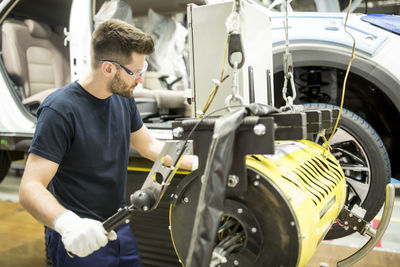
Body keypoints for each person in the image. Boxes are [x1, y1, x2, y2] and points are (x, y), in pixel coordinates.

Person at [19, 19, 197, 267]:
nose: (141, 81)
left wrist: (203, 164)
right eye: (135, 72)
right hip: (81, 235)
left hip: (118, 226)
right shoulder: (59, 110)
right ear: (108, 69)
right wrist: (68, 224)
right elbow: (30, 187)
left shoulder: (122, 99)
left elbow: (149, 146)